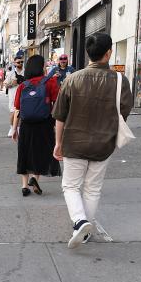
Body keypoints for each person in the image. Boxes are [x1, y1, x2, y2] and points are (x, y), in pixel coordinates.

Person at [52, 33, 132, 247]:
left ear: (88, 53)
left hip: (74, 141)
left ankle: (79, 222)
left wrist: (58, 143)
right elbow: (124, 113)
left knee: (70, 186)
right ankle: (84, 230)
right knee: (93, 188)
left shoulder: (72, 79)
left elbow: (60, 116)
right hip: (103, 143)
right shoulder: (119, 80)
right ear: (109, 53)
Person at [11, 55, 60, 196]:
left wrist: (14, 129)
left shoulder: (22, 86)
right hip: (45, 124)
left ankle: (24, 186)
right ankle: (34, 178)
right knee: (41, 152)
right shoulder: (50, 83)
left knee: (24, 153)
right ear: (40, 67)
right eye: (44, 65)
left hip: (26, 125)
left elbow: (17, 110)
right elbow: (57, 104)